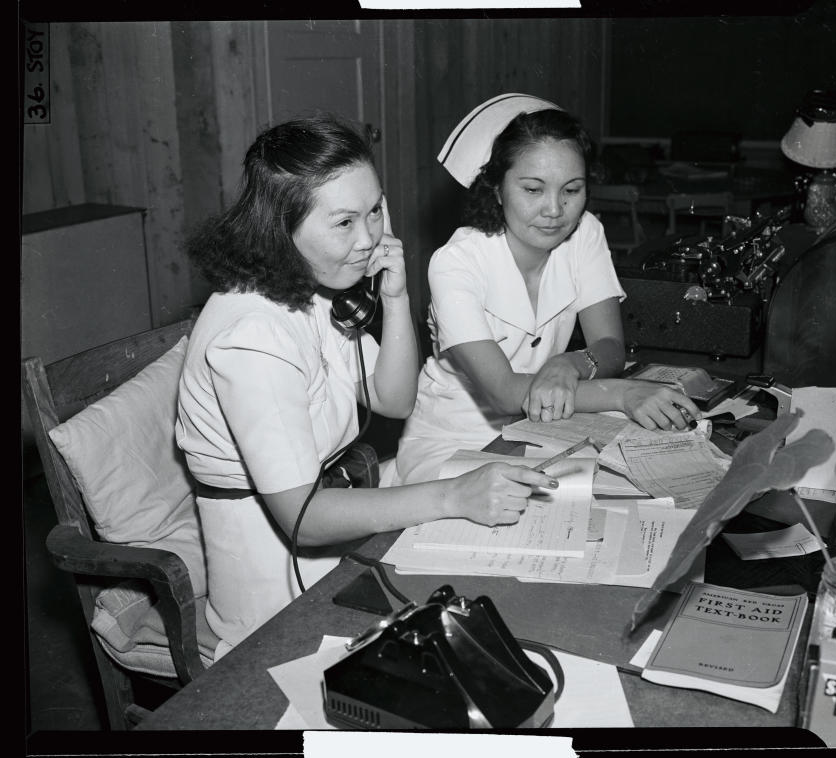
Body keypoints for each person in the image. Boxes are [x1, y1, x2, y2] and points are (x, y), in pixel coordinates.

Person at [176, 114, 559, 655]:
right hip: (276, 596)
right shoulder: (253, 337)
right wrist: (454, 495)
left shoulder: (310, 286)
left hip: (341, 532)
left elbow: (393, 399)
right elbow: (303, 518)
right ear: (279, 229)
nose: (369, 238)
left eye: (375, 210)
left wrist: (396, 298)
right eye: (344, 222)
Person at [392, 94, 701, 485]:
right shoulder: (455, 263)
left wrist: (568, 364)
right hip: (454, 442)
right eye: (533, 190)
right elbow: (504, 393)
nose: (555, 210)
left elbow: (609, 347)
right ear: (497, 189)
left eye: (571, 190)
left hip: (549, 425)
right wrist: (624, 395)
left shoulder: (585, 233)